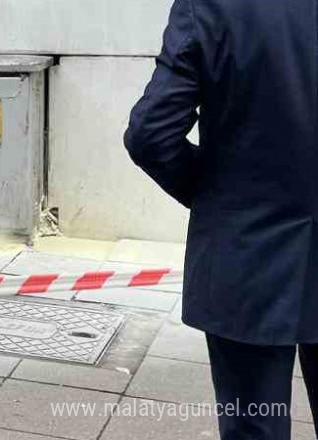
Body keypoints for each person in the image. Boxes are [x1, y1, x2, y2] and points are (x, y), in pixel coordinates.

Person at [124, 0, 318, 438]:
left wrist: (216, 197)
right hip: (249, 249)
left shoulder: (212, 5)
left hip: (247, 256)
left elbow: (150, 134)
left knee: (255, 427)